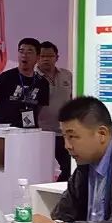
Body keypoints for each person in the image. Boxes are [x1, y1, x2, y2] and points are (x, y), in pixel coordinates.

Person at [0, 37, 50, 128]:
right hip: (3, 128)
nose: (24, 55)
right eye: (21, 51)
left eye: (29, 52)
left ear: (37, 57)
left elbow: (39, 109)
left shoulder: (42, 82)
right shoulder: (4, 78)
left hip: (27, 128)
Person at [37, 40, 75, 181]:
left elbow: (73, 98)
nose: (46, 59)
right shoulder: (32, 78)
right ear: (37, 58)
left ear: (57, 57)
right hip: (41, 132)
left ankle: (61, 191)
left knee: (69, 167)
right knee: (41, 169)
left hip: (62, 132)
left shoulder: (67, 75)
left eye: (50, 56)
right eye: (42, 56)